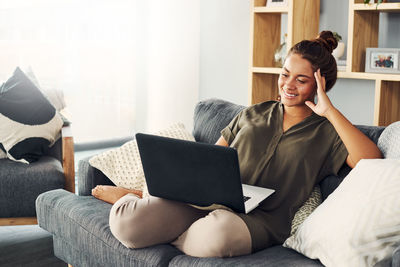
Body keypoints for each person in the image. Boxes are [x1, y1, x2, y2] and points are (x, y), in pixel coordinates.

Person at [91, 31, 382, 258]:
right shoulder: (253, 112)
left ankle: (161, 222)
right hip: (207, 201)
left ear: (321, 85)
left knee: (215, 237)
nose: (288, 85)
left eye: (301, 80)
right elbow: (210, 158)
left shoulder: (328, 133)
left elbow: (371, 159)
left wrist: (329, 110)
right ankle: (139, 198)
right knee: (126, 224)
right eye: (284, 74)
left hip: (259, 220)